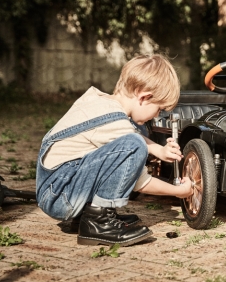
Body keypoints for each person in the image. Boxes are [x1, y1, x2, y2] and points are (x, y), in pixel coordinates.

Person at [36, 54, 193, 247]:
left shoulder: (100, 102)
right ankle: (98, 221)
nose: (157, 115)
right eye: (159, 109)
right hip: (61, 196)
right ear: (144, 97)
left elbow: (122, 132)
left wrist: (159, 150)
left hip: (56, 188)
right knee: (134, 144)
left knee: (134, 139)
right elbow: (140, 182)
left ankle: (90, 214)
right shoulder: (115, 122)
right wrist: (178, 192)